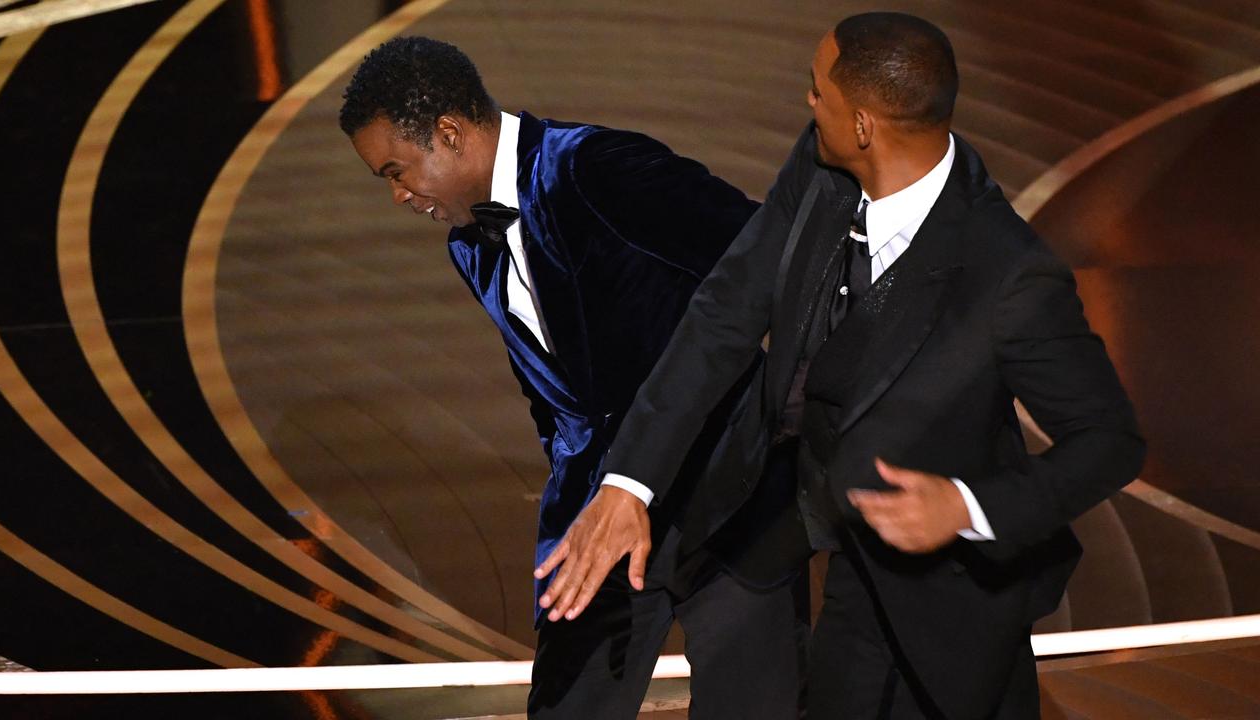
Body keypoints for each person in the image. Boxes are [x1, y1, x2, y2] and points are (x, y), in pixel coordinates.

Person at [536, 13, 1145, 719]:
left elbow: (1110, 441)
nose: (807, 102)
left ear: (863, 125)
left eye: (816, 90)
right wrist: (627, 484)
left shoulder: (1008, 274)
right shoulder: (824, 163)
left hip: (949, 589)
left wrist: (967, 507)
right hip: (821, 525)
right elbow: (724, 314)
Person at [339, 36, 805, 719]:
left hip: (729, 492)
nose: (398, 196)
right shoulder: (470, 245)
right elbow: (549, 391)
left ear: (448, 133)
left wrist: (792, 412)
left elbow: (766, 260)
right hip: (598, 511)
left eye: (396, 171)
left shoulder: (598, 168)